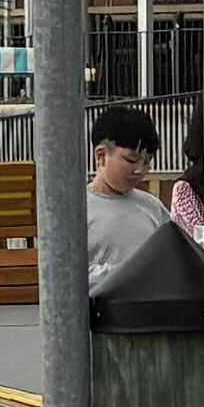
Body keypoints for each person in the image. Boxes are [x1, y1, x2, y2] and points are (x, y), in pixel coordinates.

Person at [83, 103, 168, 295]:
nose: (140, 170)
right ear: (101, 156)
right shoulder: (79, 209)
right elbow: (69, 274)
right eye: (131, 160)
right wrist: (130, 275)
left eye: (147, 162)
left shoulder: (152, 206)